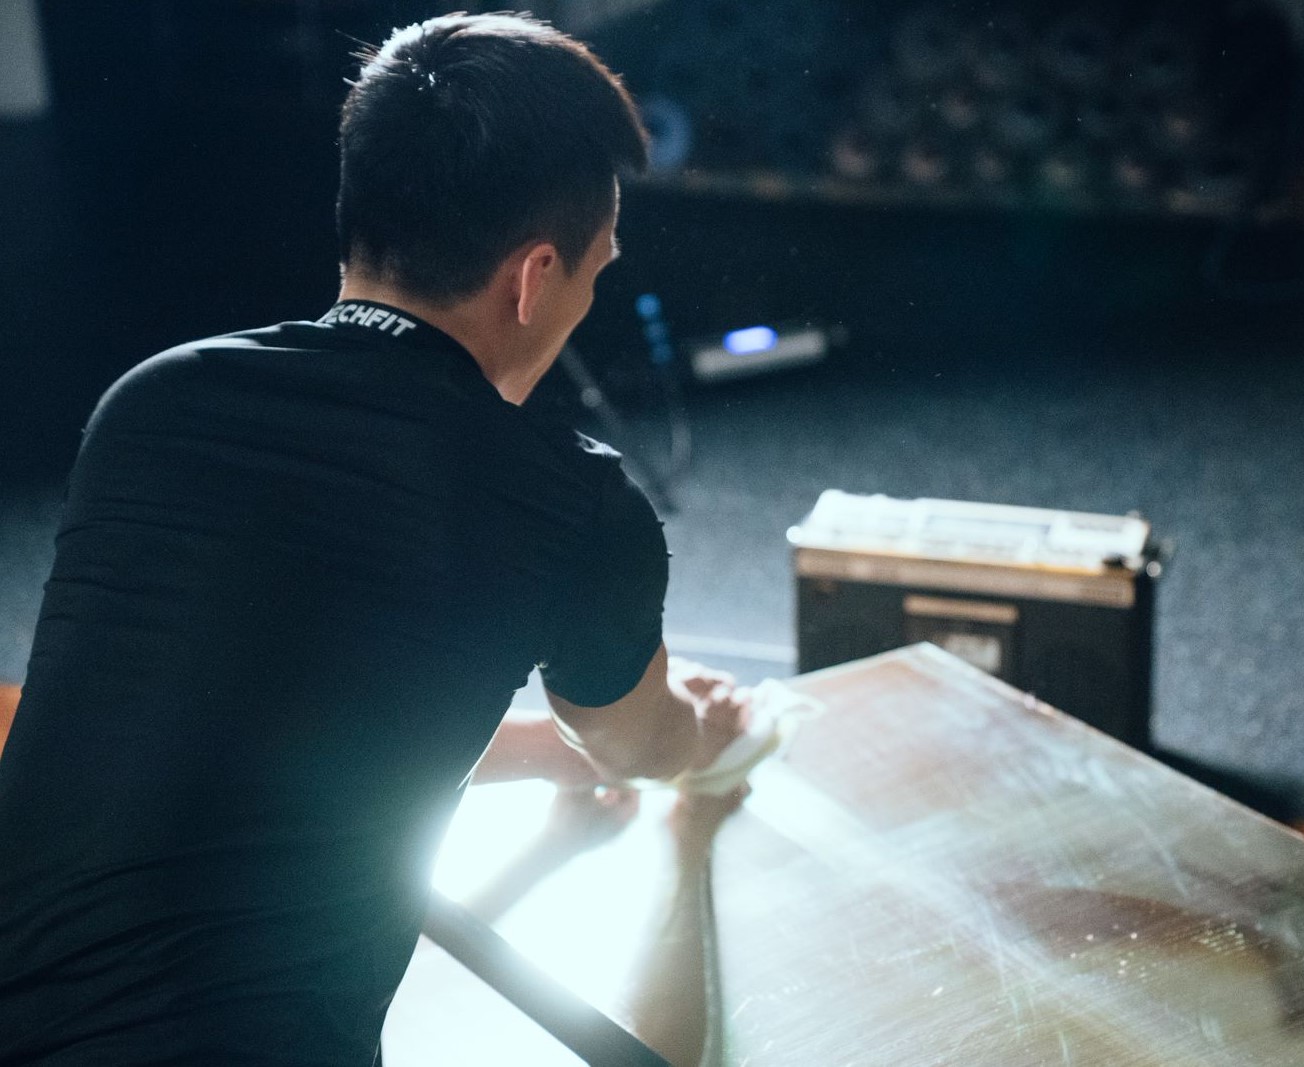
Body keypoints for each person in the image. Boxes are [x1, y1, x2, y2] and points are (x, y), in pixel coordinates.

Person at [0, 13, 750, 1065]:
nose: (587, 300)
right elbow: (635, 743)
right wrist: (701, 746)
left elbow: (268, 713)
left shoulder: (154, 404)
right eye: (596, 272)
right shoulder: (570, 502)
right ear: (535, 277)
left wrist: (544, 753)